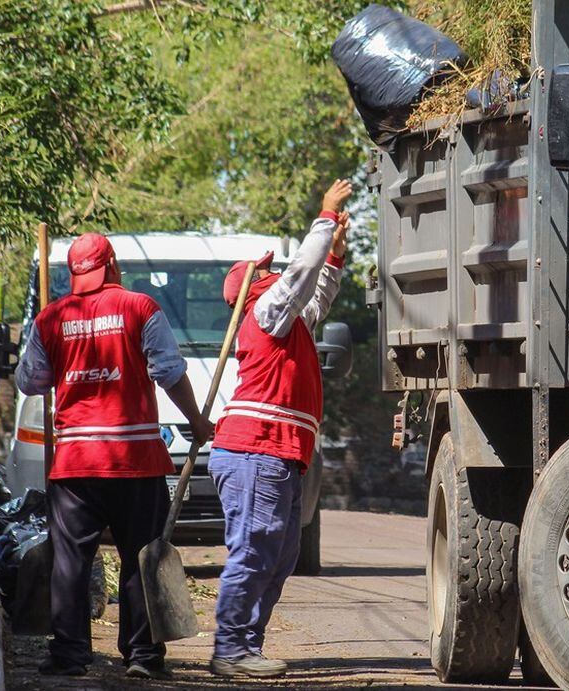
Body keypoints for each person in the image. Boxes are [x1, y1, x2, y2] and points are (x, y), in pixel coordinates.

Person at [15, 232, 214, 680]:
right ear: (113, 266)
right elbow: (169, 371)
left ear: (74, 275)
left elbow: (30, 382)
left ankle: (68, 655)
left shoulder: (52, 318)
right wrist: (198, 421)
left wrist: (59, 345)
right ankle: (142, 655)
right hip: (136, 460)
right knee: (141, 556)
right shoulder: (140, 308)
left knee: (69, 561)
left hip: (74, 464)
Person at [208, 178, 352, 678]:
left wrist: (334, 256)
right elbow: (299, 279)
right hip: (255, 452)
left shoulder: (288, 325)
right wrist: (325, 216)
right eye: (267, 272)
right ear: (255, 286)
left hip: (278, 454)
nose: (276, 275)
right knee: (255, 548)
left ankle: (247, 645)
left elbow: (317, 294)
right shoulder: (265, 312)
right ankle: (230, 650)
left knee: (280, 553)